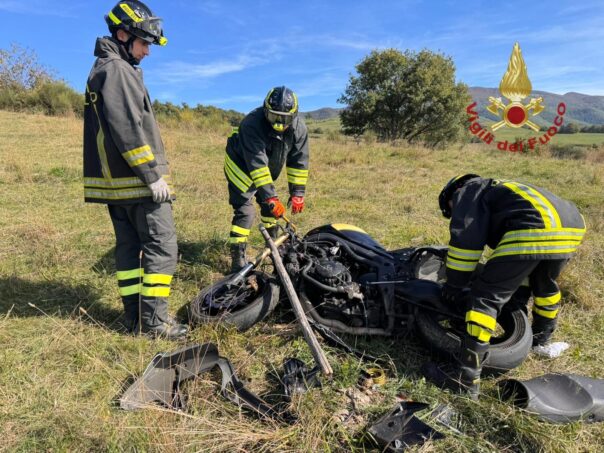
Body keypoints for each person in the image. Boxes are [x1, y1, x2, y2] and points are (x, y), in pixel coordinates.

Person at [424, 174, 585, 398]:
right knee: (543, 286)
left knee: (485, 296)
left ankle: (465, 378)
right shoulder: (506, 189)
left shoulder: (469, 190)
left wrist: (455, 284)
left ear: (453, 191)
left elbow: (466, 243)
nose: (454, 212)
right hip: (571, 228)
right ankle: (540, 341)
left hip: (532, 227)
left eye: (451, 209)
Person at [83, 0, 187, 339]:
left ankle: (133, 318)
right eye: (144, 43)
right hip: (139, 184)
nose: (147, 51)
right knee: (163, 246)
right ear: (123, 35)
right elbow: (128, 128)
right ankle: (154, 323)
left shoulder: (105, 67)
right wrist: (152, 175)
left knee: (129, 249)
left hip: (119, 185)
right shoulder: (118, 70)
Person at [224, 86, 309, 272]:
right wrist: (270, 197)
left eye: (284, 119)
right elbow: (257, 164)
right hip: (241, 168)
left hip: (264, 172)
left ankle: (272, 248)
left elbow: (298, 161)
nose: (279, 124)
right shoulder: (251, 124)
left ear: (294, 116)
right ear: (265, 111)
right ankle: (238, 259)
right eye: (273, 117)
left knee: (270, 211)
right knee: (246, 212)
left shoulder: (299, 129)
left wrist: (298, 193)